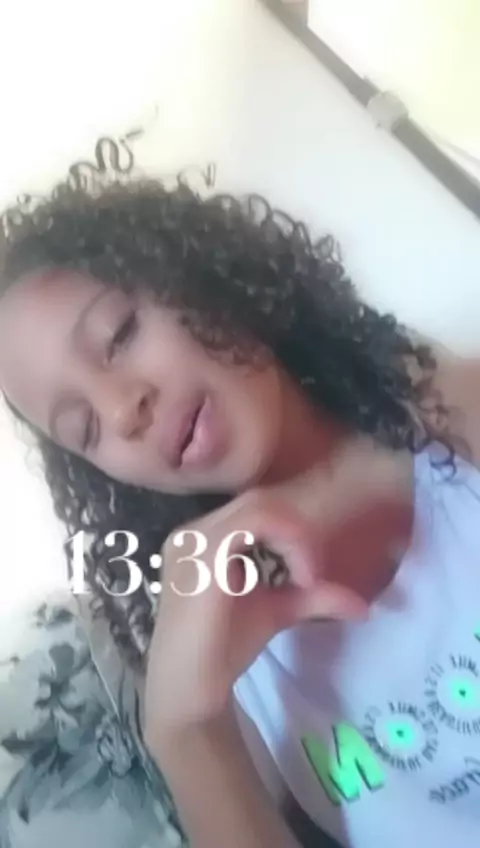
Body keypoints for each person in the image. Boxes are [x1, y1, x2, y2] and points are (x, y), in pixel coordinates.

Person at [1, 139, 480, 847]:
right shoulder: (215, 660)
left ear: (198, 275)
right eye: (86, 429)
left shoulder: (459, 419)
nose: (124, 408)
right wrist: (184, 730)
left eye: (120, 333)